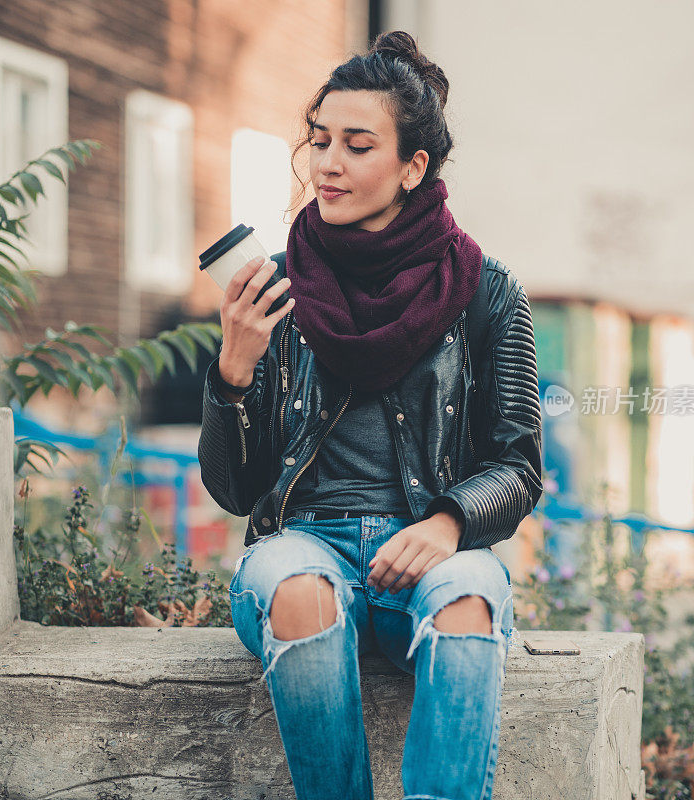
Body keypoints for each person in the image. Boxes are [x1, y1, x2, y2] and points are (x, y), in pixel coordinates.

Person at [198, 30, 543, 800]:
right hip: (304, 545)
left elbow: (519, 466)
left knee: (468, 601)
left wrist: (450, 523)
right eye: (320, 140)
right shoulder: (274, 289)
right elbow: (232, 488)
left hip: (432, 540)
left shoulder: (487, 291)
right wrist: (233, 370)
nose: (328, 163)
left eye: (357, 145)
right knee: (296, 589)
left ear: (412, 166)